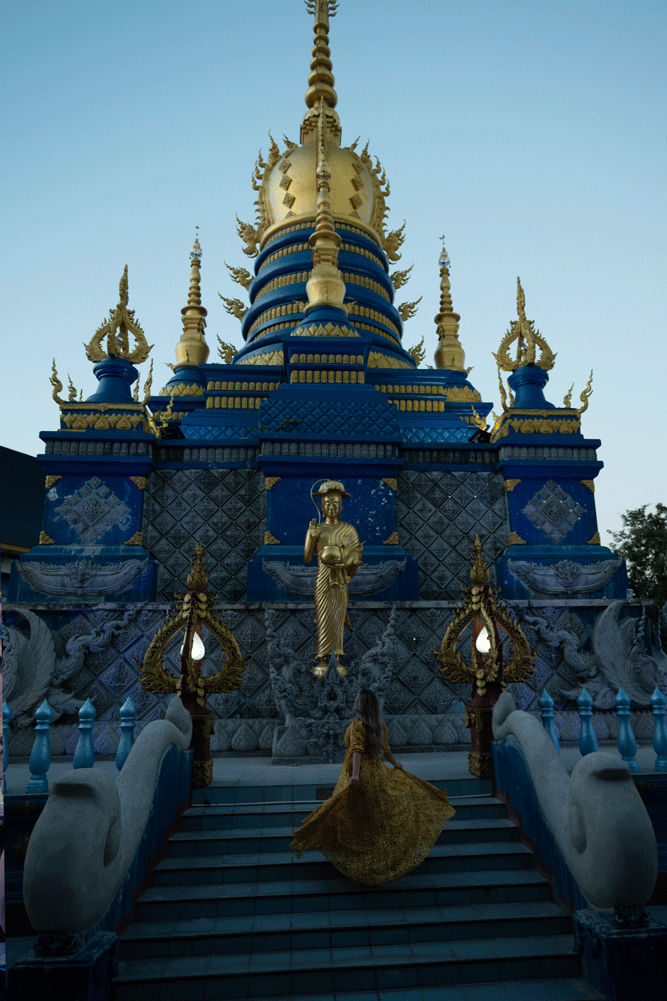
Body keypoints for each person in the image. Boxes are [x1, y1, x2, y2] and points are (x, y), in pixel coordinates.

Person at [289, 688, 456, 887]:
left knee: (352, 818)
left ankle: (359, 864)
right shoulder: (379, 725)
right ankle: (378, 861)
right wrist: (396, 764)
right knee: (374, 820)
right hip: (377, 772)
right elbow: (386, 750)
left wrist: (356, 775)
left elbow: (357, 751)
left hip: (359, 775)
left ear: (359, 704)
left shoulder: (357, 725)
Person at [304, 480, 362, 676]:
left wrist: (346, 562)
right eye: (328, 503)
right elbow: (306, 557)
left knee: (337, 616)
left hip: (340, 579)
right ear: (321, 506)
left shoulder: (349, 529)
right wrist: (311, 538)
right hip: (322, 578)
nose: (331, 507)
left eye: (335, 503)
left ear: (341, 507)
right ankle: (322, 657)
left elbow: (355, 553)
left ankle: (337, 657)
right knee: (324, 617)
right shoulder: (316, 528)